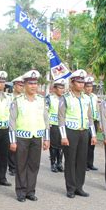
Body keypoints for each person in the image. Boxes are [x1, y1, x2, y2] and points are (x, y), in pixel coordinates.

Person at [9, 70, 50, 202]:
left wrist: (47, 138)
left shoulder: (41, 100)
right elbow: (12, 122)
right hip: (21, 138)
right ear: (25, 85)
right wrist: (12, 141)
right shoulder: (18, 100)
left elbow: (46, 120)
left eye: (35, 83)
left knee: (34, 165)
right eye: (30, 83)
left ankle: (30, 191)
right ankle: (21, 191)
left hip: (36, 137)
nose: (33, 86)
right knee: (21, 165)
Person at [58, 69, 97, 198]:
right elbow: (61, 118)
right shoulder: (66, 98)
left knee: (81, 160)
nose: (81, 85)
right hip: (70, 132)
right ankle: (70, 188)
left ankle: (79, 187)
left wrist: (93, 134)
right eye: (78, 82)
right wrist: (63, 136)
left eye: (82, 82)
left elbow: (90, 117)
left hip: (84, 132)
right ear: (72, 83)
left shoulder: (86, 98)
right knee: (70, 160)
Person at [48, 78, 65, 173]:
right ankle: (53, 163)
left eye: (63, 88)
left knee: (62, 145)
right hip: (53, 125)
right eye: (59, 88)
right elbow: (46, 112)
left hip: (63, 125)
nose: (62, 90)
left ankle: (59, 163)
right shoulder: (49, 98)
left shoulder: (65, 98)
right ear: (54, 89)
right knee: (54, 145)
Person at [8, 76, 24, 176]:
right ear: (14, 86)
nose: (21, 87)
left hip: (21, 125)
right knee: (11, 147)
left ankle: (19, 166)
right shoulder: (9, 97)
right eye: (19, 85)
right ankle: (12, 167)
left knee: (21, 148)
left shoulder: (23, 98)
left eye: (22, 85)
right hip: (10, 124)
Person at [84, 76, 99, 171]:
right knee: (85, 144)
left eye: (90, 86)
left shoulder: (94, 96)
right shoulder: (82, 96)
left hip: (94, 121)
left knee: (92, 144)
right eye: (87, 86)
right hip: (86, 122)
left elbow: (97, 108)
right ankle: (84, 164)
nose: (89, 88)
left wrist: (99, 122)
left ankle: (90, 163)